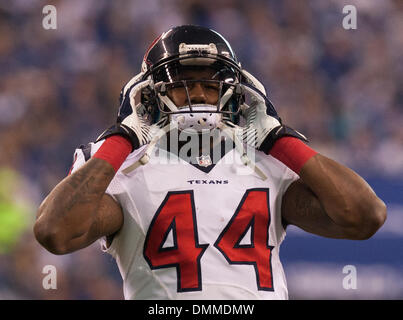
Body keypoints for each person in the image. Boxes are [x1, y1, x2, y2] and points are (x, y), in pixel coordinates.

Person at [34, 25, 387, 300]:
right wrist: (121, 138)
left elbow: (365, 216)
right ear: (150, 93)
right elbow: (55, 231)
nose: (199, 94)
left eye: (210, 83)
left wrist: (279, 138)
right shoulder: (124, 165)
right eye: (183, 83)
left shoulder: (266, 161)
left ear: (234, 90)